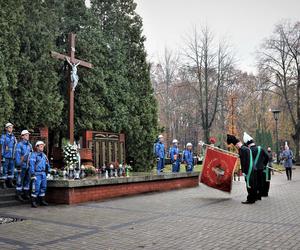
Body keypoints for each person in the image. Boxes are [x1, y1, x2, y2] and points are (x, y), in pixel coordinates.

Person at [227, 133, 269, 204]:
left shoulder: (243, 149)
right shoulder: (246, 149)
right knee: (254, 184)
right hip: (255, 169)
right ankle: (254, 197)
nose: (236, 147)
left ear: (237, 144)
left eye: (236, 146)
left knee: (249, 185)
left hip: (249, 170)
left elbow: (244, 161)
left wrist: (244, 171)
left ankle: (250, 199)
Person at [29, 141, 50, 208]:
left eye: (43, 146)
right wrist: (32, 174)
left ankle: (42, 201)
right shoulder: (33, 155)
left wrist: (48, 171)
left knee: (43, 187)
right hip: (37, 173)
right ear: (37, 147)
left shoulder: (44, 155)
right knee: (35, 188)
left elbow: (47, 164)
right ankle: (33, 202)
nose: (42, 147)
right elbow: (31, 165)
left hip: (43, 173)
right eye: (41, 146)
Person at [15, 130, 33, 201]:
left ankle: (26, 194)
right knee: (20, 180)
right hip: (22, 164)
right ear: (22, 136)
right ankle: (18, 194)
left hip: (28, 165)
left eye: (28, 135)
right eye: (26, 135)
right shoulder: (19, 145)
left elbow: (31, 155)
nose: (27, 136)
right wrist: (18, 164)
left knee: (27, 180)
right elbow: (17, 155)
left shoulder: (29, 145)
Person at [0, 123, 17, 188]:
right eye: (9, 127)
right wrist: (2, 156)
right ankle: (3, 183)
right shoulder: (3, 137)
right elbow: (1, 147)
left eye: (11, 127)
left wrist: (15, 156)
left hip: (12, 156)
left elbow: (15, 147)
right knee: (5, 169)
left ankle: (10, 182)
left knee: (11, 169)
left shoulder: (14, 137)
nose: (11, 129)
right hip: (5, 156)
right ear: (6, 128)